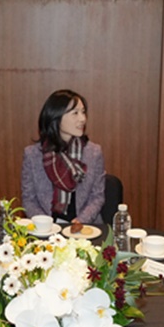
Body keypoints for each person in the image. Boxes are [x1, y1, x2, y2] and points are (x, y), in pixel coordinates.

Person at [21, 89, 106, 225]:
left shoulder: (94, 152)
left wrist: (80, 222)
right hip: (47, 228)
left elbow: (97, 197)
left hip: (85, 228)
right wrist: (46, 224)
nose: (82, 119)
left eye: (83, 112)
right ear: (56, 117)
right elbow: (29, 200)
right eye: (75, 113)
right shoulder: (32, 155)